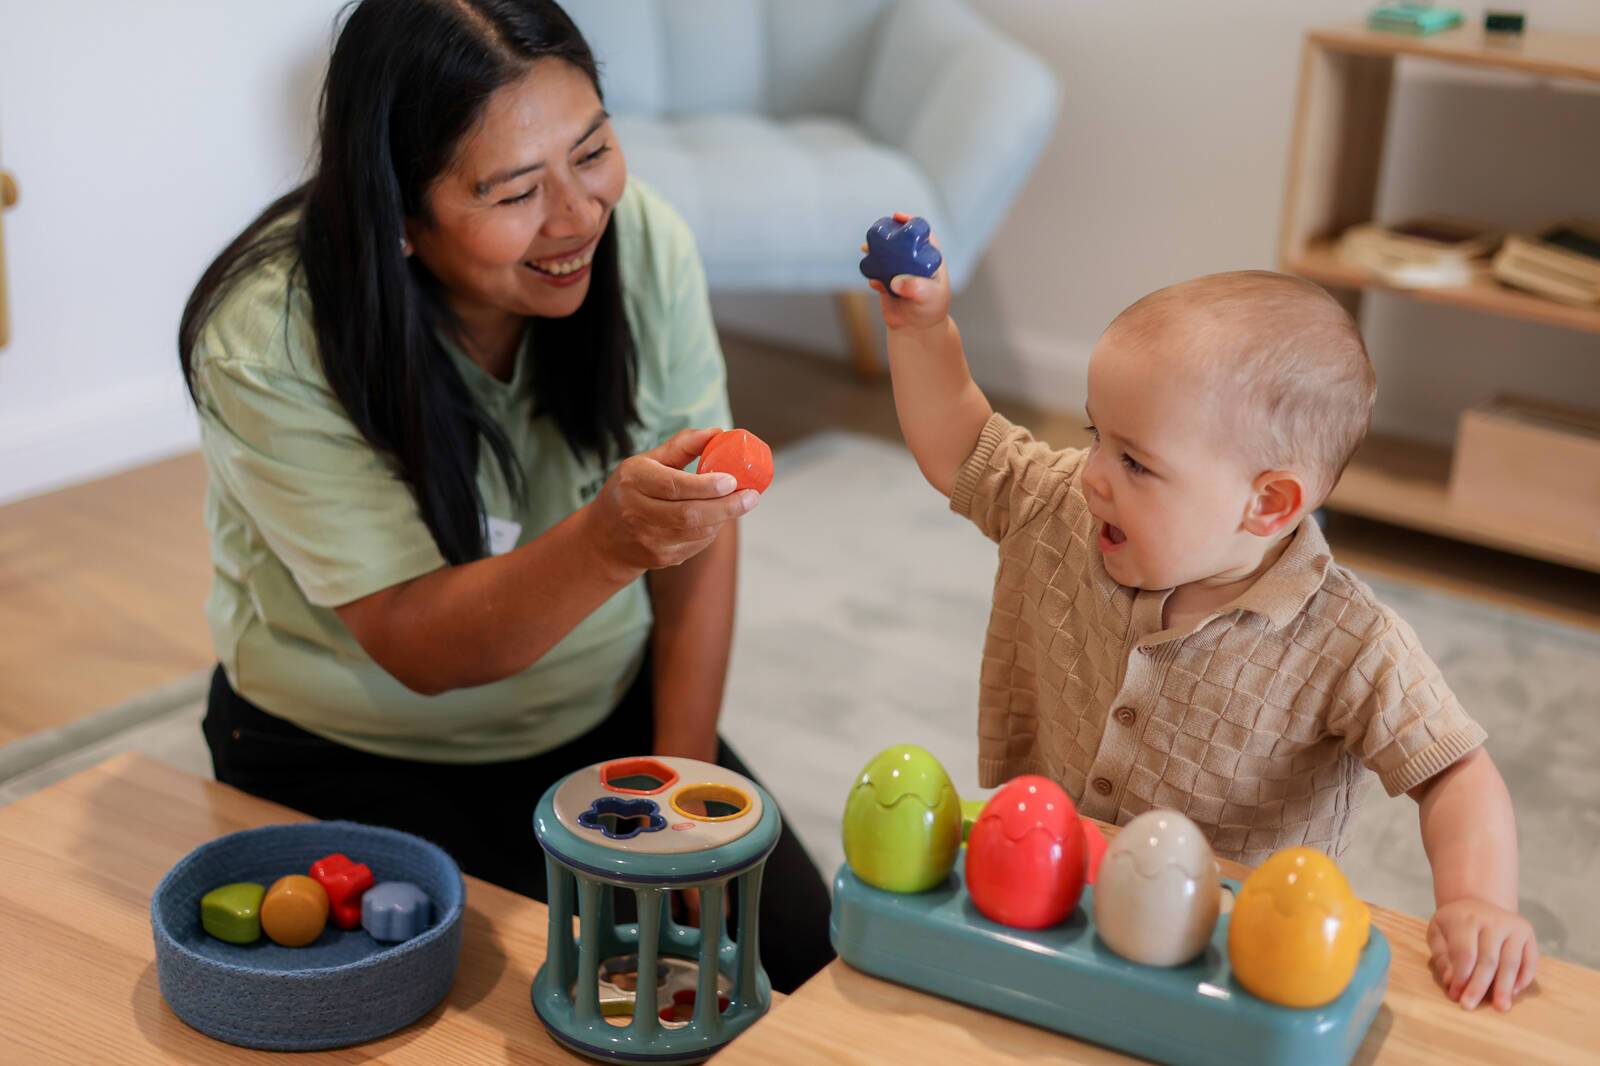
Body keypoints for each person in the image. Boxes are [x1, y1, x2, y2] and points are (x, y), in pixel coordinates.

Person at [177, 0, 832, 993]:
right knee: (512, 1004)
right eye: (516, 189)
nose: (578, 216)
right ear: (397, 214)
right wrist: (611, 539)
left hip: (604, 722)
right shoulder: (267, 337)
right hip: (350, 756)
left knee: (799, 961)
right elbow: (422, 647)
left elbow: (703, 538)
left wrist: (680, 788)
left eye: (594, 150)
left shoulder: (641, 243)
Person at [866, 237, 1539, 1013]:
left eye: (1136, 463)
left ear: (1268, 505)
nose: (1092, 474)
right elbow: (964, 445)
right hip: (1055, 888)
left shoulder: (1349, 639)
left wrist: (1479, 900)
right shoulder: (1065, 512)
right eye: (1095, 437)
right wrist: (921, 334)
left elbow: (1454, 771)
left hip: (1225, 948)